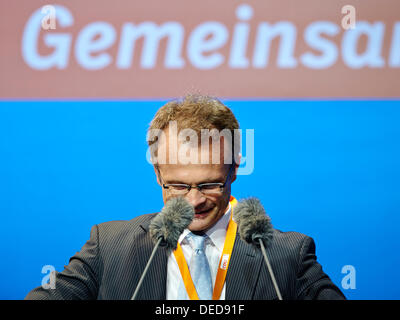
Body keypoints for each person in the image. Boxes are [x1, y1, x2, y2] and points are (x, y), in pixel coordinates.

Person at [25, 94, 345, 300]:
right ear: (158, 175)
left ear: (233, 170)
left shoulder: (286, 255)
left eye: (209, 185)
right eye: (177, 186)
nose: (194, 202)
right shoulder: (108, 247)